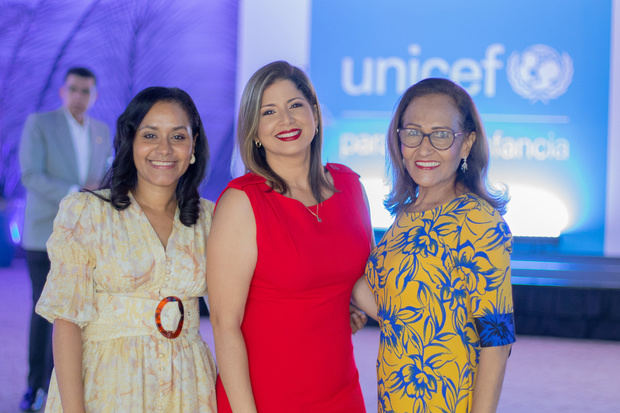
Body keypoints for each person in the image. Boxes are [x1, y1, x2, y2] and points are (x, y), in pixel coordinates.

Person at [207, 60, 375, 412]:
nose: (286, 120)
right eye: (269, 111)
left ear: (314, 113)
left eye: (295, 105)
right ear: (254, 130)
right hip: (266, 397)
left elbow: (362, 282)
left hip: (341, 392)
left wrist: (425, 317)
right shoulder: (242, 202)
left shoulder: (351, 186)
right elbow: (225, 325)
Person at [35, 87, 217, 412]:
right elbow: (66, 323)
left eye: (177, 136)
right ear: (130, 141)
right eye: (150, 135)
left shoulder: (211, 219)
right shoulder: (86, 213)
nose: (164, 149)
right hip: (107, 386)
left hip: (189, 388)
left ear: (193, 146)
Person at [365, 78, 515, 413]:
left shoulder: (478, 221)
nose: (425, 148)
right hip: (396, 399)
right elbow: (389, 306)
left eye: (442, 135)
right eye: (413, 132)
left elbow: (497, 338)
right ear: (399, 139)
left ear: (466, 144)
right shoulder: (405, 219)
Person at [18, 67, 111, 411]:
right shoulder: (39, 125)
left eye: (86, 91)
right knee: (45, 312)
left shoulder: (101, 131)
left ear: (94, 96)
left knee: (76, 314)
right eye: (73, 89)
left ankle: (64, 386)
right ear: (62, 91)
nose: (79, 97)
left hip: (86, 239)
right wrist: (76, 193)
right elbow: (30, 175)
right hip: (44, 234)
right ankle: (34, 387)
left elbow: (102, 180)